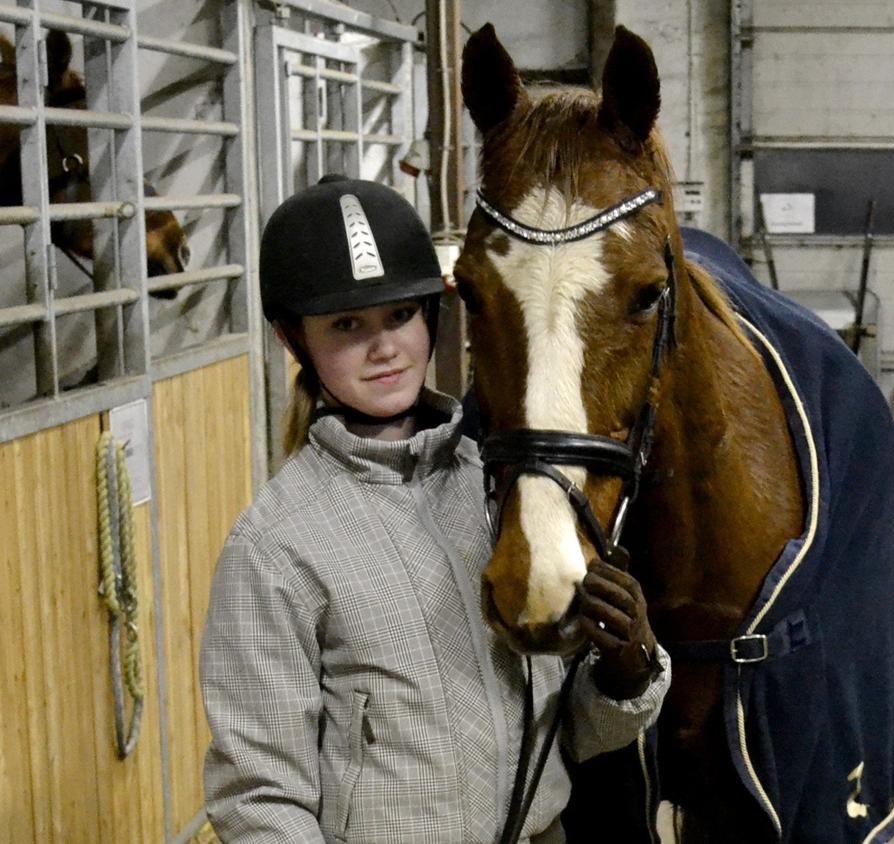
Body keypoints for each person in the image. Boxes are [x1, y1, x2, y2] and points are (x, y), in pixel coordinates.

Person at [199, 176, 670, 844]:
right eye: (347, 326)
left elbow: (560, 736)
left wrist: (626, 672)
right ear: (292, 337)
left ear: (431, 315)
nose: (384, 347)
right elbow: (259, 798)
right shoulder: (274, 545)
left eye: (400, 315)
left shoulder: (501, 495)